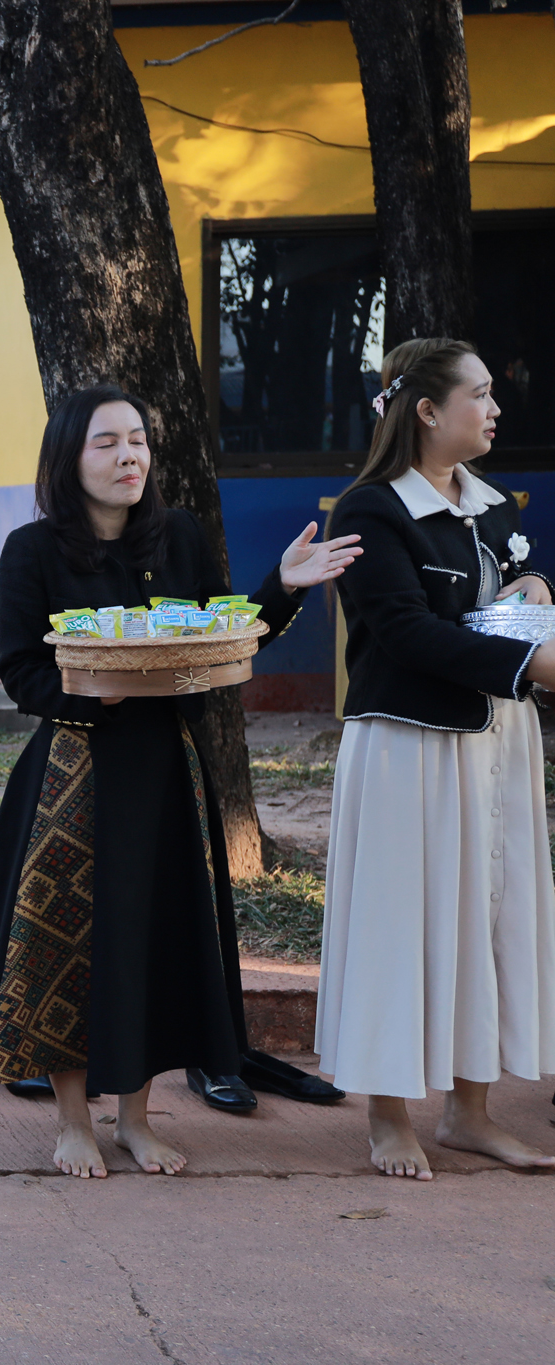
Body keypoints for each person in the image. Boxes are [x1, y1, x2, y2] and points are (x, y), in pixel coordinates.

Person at [0, 383, 359, 1178]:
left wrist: (282, 588)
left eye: (137, 439)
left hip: (169, 769)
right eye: (106, 442)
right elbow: (22, 674)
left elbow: (218, 638)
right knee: (68, 942)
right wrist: (91, 695)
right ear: (68, 458)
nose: (128, 455)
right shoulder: (31, 551)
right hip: (75, 773)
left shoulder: (178, 535)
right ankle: (73, 1121)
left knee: (156, 939)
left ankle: (135, 1119)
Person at [316, 338, 555, 1180]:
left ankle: (469, 1113)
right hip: (408, 746)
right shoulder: (371, 511)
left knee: (487, 918)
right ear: (426, 410)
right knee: (403, 922)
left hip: (494, 741)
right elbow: (405, 633)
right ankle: (388, 1117)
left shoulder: (490, 502)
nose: (495, 407)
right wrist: (534, 662)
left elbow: (509, 591)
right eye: (480, 394)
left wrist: (539, 591)